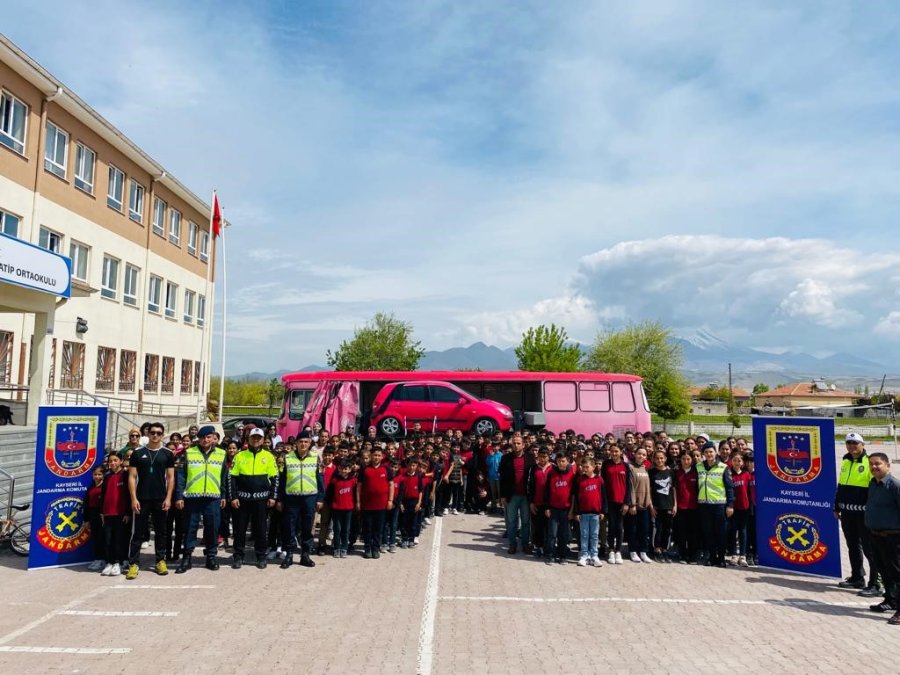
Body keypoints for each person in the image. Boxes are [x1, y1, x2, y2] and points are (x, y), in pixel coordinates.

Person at [125, 421, 175, 579]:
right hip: (142, 498)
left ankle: (160, 561)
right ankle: (133, 563)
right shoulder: (138, 453)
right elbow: (132, 477)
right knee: (138, 533)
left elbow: (171, 477)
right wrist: (133, 498)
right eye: (152, 432)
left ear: (163, 435)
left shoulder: (167, 454)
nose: (155, 435)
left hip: (160, 499)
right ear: (148, 434)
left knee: (161, 532)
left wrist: (168, 498)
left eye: (159, 433)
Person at [174, 426, 228, 573]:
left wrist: (223, 495)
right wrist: (179, 496)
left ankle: (211, 557)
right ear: (198, 438)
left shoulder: (222, 454)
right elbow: (181, 477)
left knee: (212, 528)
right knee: (190, 529)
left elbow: (223, 477)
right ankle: (187, 559)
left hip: (213, 498)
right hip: (192, 497)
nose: (206, 440)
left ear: (213, 438)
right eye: (203, 437)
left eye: (209, 437)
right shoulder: (189, 453)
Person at [834, 433, 880, 596]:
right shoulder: (846, 461)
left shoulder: (869, 463)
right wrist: (836, 506)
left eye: (855, 443)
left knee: (870, 549)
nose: (852, 446)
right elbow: (841, 485)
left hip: (864, 514)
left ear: (862, 444)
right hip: (847, 512)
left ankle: (876, 583)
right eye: (849, 443)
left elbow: (874, 489)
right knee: (852, 546)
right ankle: (857, 577)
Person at [229, 428, 279, 569]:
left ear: (263, 440)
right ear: (248, 439)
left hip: (261, 501)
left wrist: (273, 497)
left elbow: (275, 478)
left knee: (261, 529)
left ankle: (261, 556)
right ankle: (238, 556)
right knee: (240, 530)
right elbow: (232, 477)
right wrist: (233, 497)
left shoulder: (269, 456)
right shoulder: (240, 456)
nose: (256, 440)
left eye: (259, 438)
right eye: (253, 437)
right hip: (242, 500)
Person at [864, 452, 900, 625]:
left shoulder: (894, 486)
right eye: (871, 464)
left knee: (897, 574)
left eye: (878, 464)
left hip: (893, 538)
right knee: (884, 572)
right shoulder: (873, 484)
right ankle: (890, 600)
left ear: (887, 465)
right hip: (876, 536)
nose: (874, 467)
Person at [277, 435, 323, 569]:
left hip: (310, 498)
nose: (303, 444)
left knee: (307, 527)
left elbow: (320, 479)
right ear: (296, 443)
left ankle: (305, 555)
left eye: (306, 442)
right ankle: (289, 555)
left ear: (310, 444)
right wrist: (280, 499)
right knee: (289, 527)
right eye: (301, 442)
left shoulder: (315, 458)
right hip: (291, 498)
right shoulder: (287, 457)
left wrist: (320, 498)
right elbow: (282, 480)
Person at [697, 442, 735, 567]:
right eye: (706, 452)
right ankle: (711, 557)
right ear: (703, 454)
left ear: (715, 453)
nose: (709, 454)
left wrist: (730, 505)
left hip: (720, 505)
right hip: (704, 506)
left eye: (711, 452)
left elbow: (730, 488)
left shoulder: (723, 467)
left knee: (721, 533)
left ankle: (722, 558)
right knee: (708, 532)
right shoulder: (698, 467)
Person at [499, 435, 534, 555]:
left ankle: (525, 544)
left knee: (525, 521)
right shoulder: (505, 459)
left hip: (525, 496)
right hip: (511, 495)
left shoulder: (530, 458)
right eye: (514, 443)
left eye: (519, 443)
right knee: (512, 521)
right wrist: (502, 496)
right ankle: (512, 544)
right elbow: (502, 478)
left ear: (523, 445)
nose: (516, 445)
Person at [357, 446, 394, 559]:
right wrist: (358, 501)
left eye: (379, 455)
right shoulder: (364, 469)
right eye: (374, 455)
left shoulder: (387, 469)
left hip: (381, 505)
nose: (376, 457)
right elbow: (359, 486)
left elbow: (391, 485)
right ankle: (367, 549)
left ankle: (375, 549)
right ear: (371, 456)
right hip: (367, 505)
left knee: (378, 529)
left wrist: (390, 500)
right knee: (367, 528)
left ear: (382, 457)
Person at [100, 451, 130, 577]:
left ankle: (118, 562)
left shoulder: (125, 475)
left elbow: (129, 496)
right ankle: (109, 562)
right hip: (107, 514)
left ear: (121, 461)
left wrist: (128, 512)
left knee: (119, 539)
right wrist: (102, 512)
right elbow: (103, 495)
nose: (112, 463)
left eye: (115, 460)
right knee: (108, 540)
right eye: (110, 461)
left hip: (121, 513)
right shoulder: (106, 477)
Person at [601, 444, 632, 564]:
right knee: (611, 526)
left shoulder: (625, 466)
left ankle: (618, 550)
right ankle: (611, 550)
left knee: (619, 527)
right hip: (609, 501)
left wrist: (626, 503)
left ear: (620, 452)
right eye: (612, 451)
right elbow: (602, 484)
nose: (614, 453)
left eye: (616, 451)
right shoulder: (606, 464)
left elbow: (629, 486)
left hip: (621, 502)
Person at [573, 457, 606, 567]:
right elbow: (576, 498)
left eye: (587, 467)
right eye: (583, 467)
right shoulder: (579, 480)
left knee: (594, 535)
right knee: (584, 535)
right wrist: (577, 512)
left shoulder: (599, 480)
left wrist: (602, 511)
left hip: (595, 513)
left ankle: (594, 555)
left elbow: (603, 497)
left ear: (593, 467)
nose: (585, 469)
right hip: (583, 513)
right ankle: (584, 555)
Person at [544, 451, 576, 565]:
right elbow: (546, 491)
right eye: (559, 461)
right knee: (552, 533)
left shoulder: (572, 474)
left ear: (567, 461)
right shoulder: (551, 473)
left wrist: (572, 510)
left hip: (566, 509)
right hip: (553, 509)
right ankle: (550, 555)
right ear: (556, 462)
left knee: (563, 534)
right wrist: (547, 507)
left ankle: (562, 556)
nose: (561, 463)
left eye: (563, 461)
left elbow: (574, 494)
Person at [648, 449, 676, 562]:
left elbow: (673, 489)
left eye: (661, 458)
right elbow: (649, 490)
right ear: (654, 459)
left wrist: (675, 505)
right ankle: (657, 550)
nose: (659, 460)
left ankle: (665, 550)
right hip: (657, 506)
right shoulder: (651, 472)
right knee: (658, 530)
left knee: (667, 530)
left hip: (669, 505)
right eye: (657, 458)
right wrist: (651, 505)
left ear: (665, 459)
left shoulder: (670, 472)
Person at [627, 446, 653, 563]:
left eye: (644, 455)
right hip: (634, 505)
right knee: (632, 529)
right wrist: (632, 504)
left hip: (645, 505)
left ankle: (643, 551)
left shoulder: (646, 468)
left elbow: (648, 488)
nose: (641, 456)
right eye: (639, 453)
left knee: (644, 530)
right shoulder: (630, 468)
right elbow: (630, 487)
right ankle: (632, 551)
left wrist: (650, 504)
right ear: (635, 454)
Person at [328, 460, 357, 558]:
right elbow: (330, 494)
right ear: (339, 469)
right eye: (342, 469)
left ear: (349, 470)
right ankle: (336, 548)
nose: (344, 471)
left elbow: (355, 494)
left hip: (348, 509)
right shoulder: (335, 480)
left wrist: (356, 504)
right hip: (336, 509)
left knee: (346, 529)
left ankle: (344, 548)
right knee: (337, 529)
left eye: (346, 469)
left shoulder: (353, 481)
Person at [727, 452, 752, 566]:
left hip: (744, 507)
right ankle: (733, 555)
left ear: (742, 463)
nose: (737, 463)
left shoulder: (747, 474)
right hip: (733, 508)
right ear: (731, 462)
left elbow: (749, 491)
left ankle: (743, 555)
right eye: (735, 460)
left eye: (739, 461)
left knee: (743, 531)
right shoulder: (728, 474)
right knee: (733, 531)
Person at [527, 447, 552, 558]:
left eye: (545, 456)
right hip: (537, 502)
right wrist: (531, 502)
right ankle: (538, 547)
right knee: (538, 527)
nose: (542, 459)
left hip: (550, 504)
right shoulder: (534, 468)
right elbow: (530, 486)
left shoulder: (553, 468)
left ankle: (549, 548)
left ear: (549, 456)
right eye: (541, 456)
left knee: (549, 528)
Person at [399, 458, 424, 548]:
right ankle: (404, 539)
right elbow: (399, 492)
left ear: (416, 466)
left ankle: (411, 539)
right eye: (410, 465)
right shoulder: (402, 477)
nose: (411, 467)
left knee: (413, 522)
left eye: (414, 465)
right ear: (407, 466)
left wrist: (419, 503)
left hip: (414, 502)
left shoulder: (418, 477)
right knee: (404, 521)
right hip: (404, 501)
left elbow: (421, 491)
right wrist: (400, 503)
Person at [85, 466, 106, 571]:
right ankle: (97, 558)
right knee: (96, 537)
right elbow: (86, 504)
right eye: (95, 474)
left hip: (102, 514)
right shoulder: (91, 487)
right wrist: (86, 520)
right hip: (93, 514)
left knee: (102, 537)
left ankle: (103, 559)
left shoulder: (105, 486)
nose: (97, 476)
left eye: (99, 474)